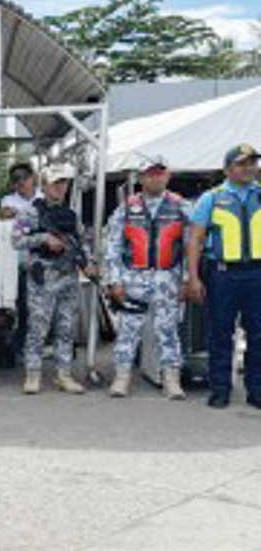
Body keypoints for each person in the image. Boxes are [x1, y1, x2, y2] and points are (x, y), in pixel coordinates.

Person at [103, 157, 191, 400]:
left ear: (168, 176)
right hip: (134, 278)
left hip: (168, 278)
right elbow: (112, 246)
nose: (155, 178)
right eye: (150, 174)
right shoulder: (125, 208)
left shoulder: (181, 207)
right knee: (128, 330)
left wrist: (186, 279)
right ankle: (121, 378)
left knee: (169, 330)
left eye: (160, 173)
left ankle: (171, 379)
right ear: (141, 178)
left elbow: (190, 246)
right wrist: (115, 281)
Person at [185, 144, 261, 409]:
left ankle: (257, 390)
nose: (249, 168)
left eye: (252, 162)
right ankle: (220, 389)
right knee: (220, 334)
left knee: (258, 335)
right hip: (222, 275)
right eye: (242, 163)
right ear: (228, 169)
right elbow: (195, 239)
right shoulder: (212, 198)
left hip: (257, 274)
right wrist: (193, 278)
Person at [13, 163, 96, 395]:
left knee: (66, 327)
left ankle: (64, 374)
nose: (61, 188)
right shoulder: (31, 211)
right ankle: (33, 374)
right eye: (56, 183)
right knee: (38, 328)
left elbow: (81, 242)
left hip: (68, 275)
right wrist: (43, 239)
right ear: (44, 185)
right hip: (43, 276)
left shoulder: (71, 215)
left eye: (64, 183)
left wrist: (87, 262)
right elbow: (16, 240)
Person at [1, 163, 40, 363]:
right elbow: (7, 217)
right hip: (18, 262)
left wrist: (22, 216)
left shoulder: (42, 198)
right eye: (16, 180)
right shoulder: (9, 200)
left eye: (24, 178)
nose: (21, 183)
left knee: (39, 310)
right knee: (22, 307)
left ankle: (32, 347)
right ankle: (19, 346)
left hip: (42, 262)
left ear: (32, 177)